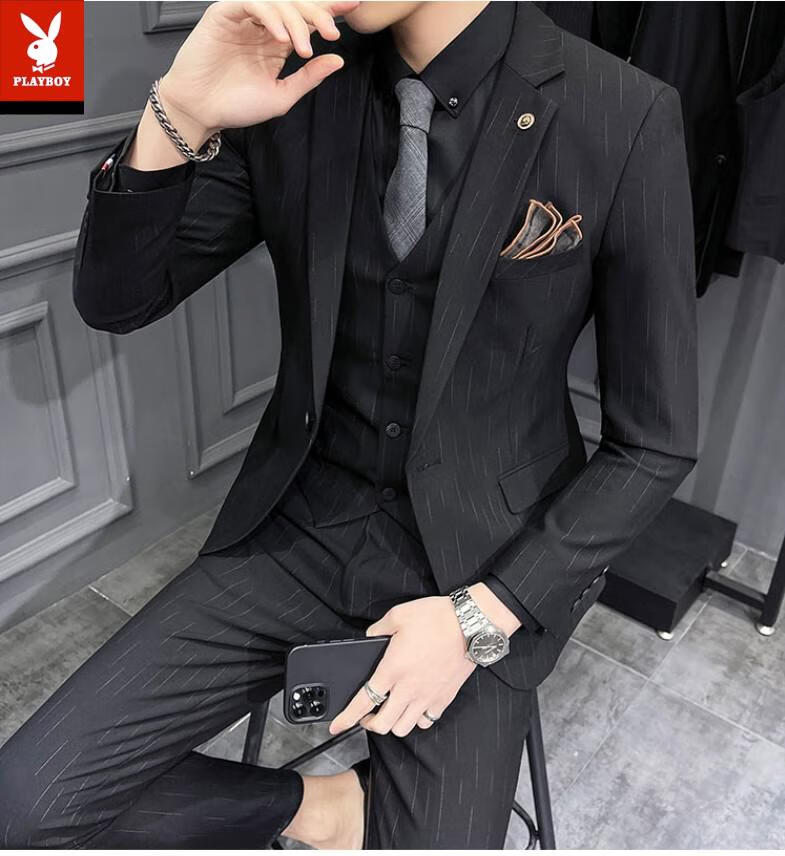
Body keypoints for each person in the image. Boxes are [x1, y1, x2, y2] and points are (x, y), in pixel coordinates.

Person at [0, 0, 699, 849]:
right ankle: (328, 809)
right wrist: (178, 110)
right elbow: (117, 301)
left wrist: (485, 614)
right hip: (298, 525)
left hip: (486, 553)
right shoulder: (294, 84)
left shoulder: (620, 112)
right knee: (25, 807)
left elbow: (653, 442)